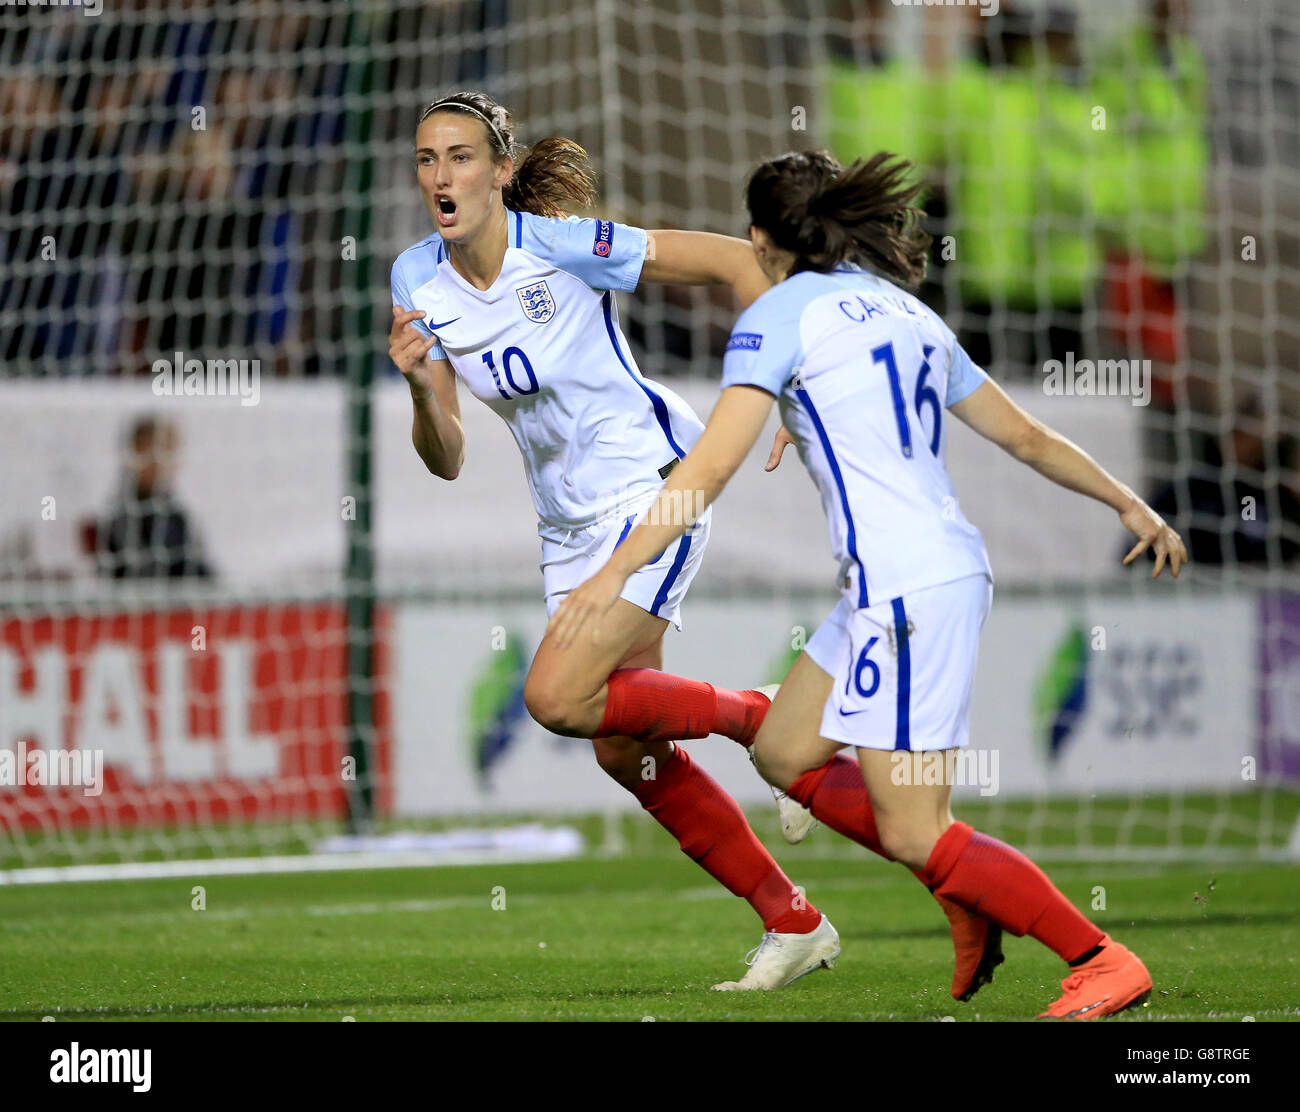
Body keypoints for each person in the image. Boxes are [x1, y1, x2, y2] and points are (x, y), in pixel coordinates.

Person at [549, 149, 1190, 1018]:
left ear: (764, 237)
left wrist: (614, 571)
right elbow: (1027, 436)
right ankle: (968, 899)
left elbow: (706, 469)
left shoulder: (777, 317)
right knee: (781, 750)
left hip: (906, 593)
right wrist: (1127, 501)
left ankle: (1100, 955)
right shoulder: (904, 311)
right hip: (911, 579)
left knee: (915, 830)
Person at [388, 91, 837, 990]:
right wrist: (414, 390)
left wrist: (788, 376)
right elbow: (445, 456)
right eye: (429, 159)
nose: (443, 176)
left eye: (463, 157)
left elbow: (733, 264)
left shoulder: (560, 246)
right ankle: (794, 922)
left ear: (501, 171)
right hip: (565, 529)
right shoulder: (414, 280)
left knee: (555, 697)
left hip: (655, 489)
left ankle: (762, 718)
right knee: (622, 744)